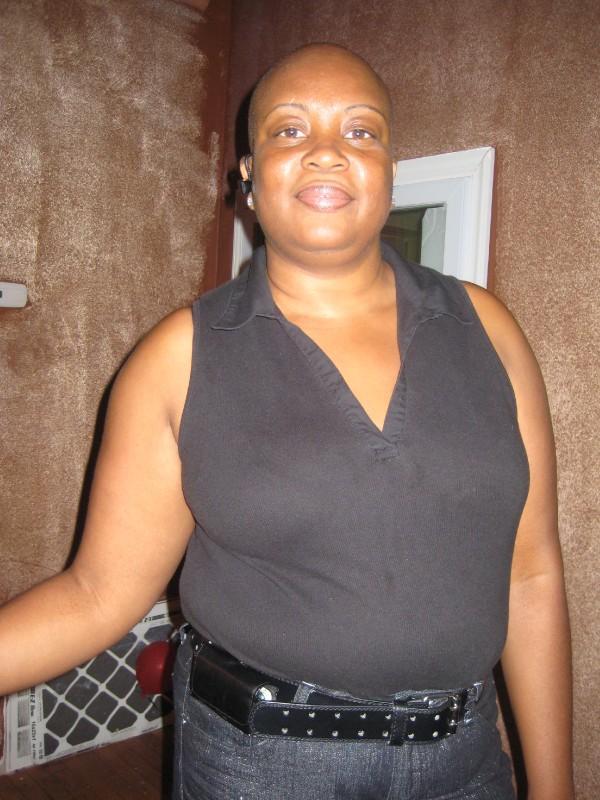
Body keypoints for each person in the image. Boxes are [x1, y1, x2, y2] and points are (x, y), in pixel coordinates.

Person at [0, 43, 573, 800]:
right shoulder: (178, 359)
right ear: (248, 176)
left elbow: (531, 573)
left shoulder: (488, 330)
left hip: (463, 763)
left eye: (361, 131)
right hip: (260, 766)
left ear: (389, 171)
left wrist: (554, 787)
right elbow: (96, 594)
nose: (328, 152)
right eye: (291, 130)